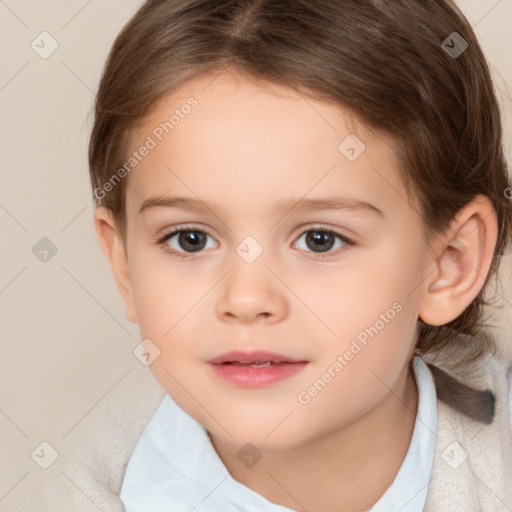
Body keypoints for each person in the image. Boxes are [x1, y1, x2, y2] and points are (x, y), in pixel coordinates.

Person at [86, 0, 512, 510]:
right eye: (190, 239)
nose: (246, 299)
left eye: (320, 240)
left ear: (449, 264)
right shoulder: (81, 487)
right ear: (125, 266)